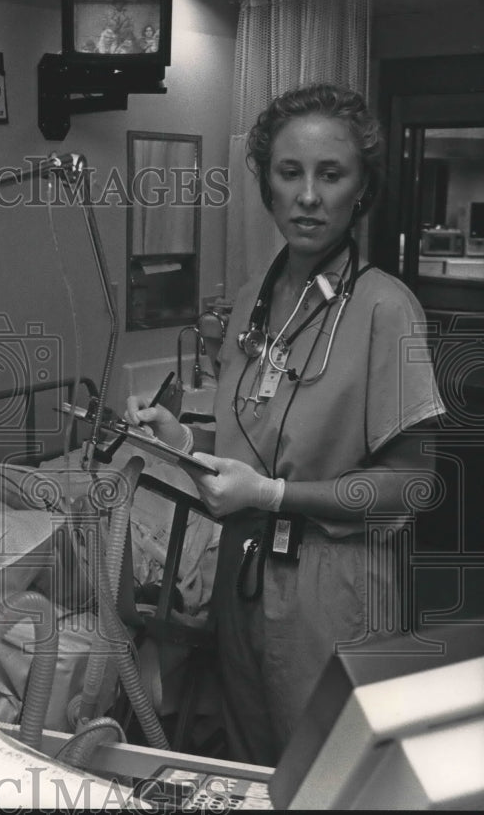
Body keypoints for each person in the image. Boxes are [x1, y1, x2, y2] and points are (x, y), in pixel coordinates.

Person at [126, 83, 445, 766]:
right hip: (243, 575)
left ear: (362, 189)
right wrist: (180, 441)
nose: (308, 196)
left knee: (330, 774)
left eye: (331, 175)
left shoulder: (388, 310)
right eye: (289, 173)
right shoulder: (253, 300)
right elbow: (247, 438)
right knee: (251, 768)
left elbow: (412, 486)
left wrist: (275, 497)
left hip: (335, 585)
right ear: (266, 184)